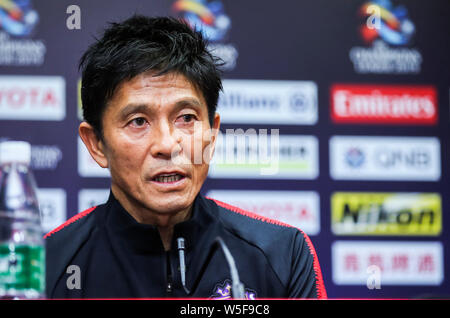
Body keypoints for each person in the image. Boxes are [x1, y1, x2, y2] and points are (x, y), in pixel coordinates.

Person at [45, 15, 327, 299]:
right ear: (96, 144)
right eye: (139, 121)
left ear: (212, 133)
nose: (168, 145)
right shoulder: (49, 267)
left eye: (186, 118)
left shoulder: (282, 254)